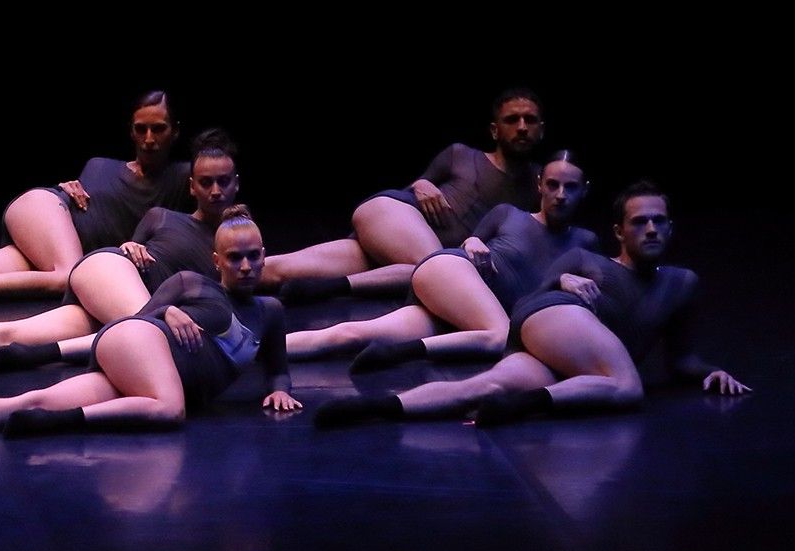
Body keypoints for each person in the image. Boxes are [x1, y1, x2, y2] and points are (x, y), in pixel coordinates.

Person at [314, 180, 749, 428]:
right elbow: (533, 298)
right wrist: (564, 278)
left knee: (483, 388)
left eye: (659, 221)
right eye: (639, 222)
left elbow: (681, 359)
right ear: (619, 231)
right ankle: (527, 405)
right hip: (552, 319)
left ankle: (377, 408)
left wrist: (710, 371)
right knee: (627, 386)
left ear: (671, 228)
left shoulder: (681, 283)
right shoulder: (588, 258)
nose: (650, 229)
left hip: (565, 361)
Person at [0, 205, 299, 441]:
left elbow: (278, 369)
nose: (246, 266)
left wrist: (279, 390)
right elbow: (137, 318)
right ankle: (65, 422)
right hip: (137, 346)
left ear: (265, 254)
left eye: (253, 256)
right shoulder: (192, 282)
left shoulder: (270, 312)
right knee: (170, 409)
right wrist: (168, 310)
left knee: (32, 401)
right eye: (234, 258)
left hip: (139, 375)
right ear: (217, 260)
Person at [0, 130, 245, 369]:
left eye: (224, 182)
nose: (215, 191)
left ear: (237, 184)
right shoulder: (161, 215)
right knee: (151, 335)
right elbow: (128, 243)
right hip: (108, 277)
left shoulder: (237, 244)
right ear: (191, 185)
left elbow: (265, 277)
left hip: (115, 303)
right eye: (206, 182)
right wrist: (130, 245)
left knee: (3, 334)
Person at [0, 92, 192, 307]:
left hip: (50, 246)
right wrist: (66, 187)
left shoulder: (184, 178)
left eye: (158, 129)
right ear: (131, 132)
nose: (149, 139)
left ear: (175, 132)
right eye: (141, 129)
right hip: (46, 212)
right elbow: (76, 200)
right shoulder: (100, 165)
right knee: (67, 276)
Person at [286, 154, 597, 369]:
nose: (560, 195)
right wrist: (473, 241)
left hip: (461, 312)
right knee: (500, 338)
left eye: (570, 187)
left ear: (584, 191)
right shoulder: (509, 213)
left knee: (350, 335)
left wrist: (562, 282)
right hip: (451, 274)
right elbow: (471, 242)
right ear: (540, 184)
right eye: (553, 184)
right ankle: (403, 353)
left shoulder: (585, 242)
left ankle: (263, 348)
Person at [259, 88, 549, 300]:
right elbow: (417, 186)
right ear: (495, 130)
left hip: (400, 253)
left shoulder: (545, 184)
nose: (522, 127)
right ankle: (332, 289)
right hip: (392, 215)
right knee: (437, 271)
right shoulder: (461, 155)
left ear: (541, 129)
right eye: (512, 120)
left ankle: (232, 286)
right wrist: (421, 184)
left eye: (530, 120)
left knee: (279, 270)